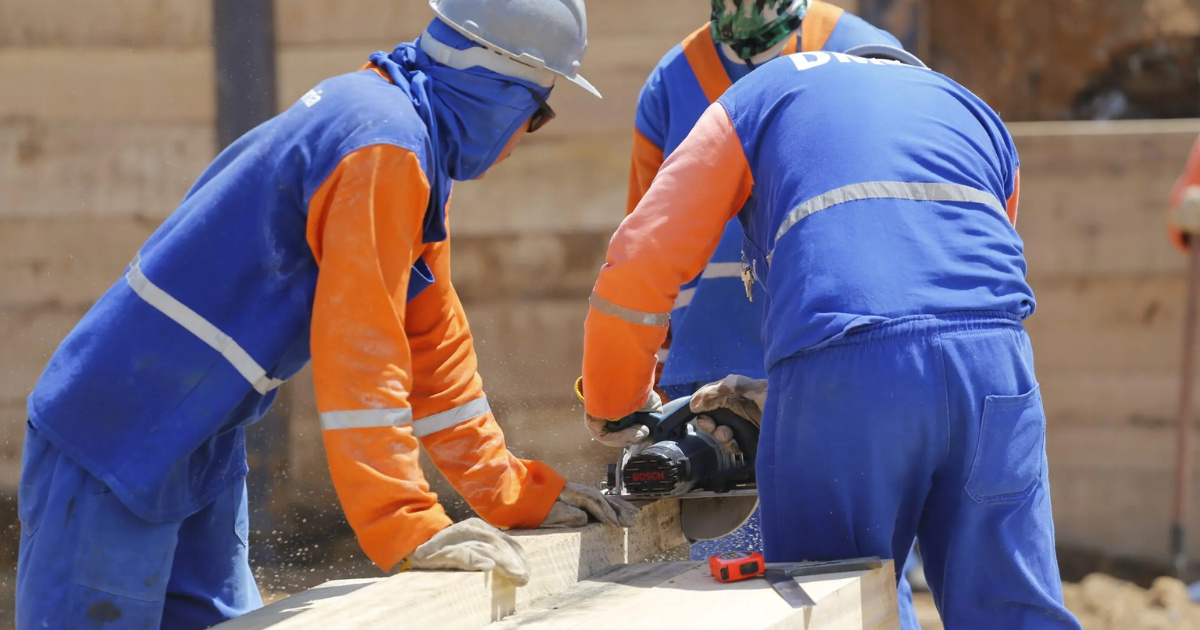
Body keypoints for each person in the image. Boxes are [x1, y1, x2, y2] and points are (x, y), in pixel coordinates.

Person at [15, 1, 637, 628]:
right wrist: (406, 524)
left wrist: (510, 493)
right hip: (113, 440)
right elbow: (361, 355)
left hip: (191, 437)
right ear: (498, 89)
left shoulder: (398, 136)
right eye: (536, 113)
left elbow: (433, 350)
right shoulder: (382, 148)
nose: (527, 137)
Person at [581, 46, 1082, 629]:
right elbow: (944, 305)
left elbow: (643, 257)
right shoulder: (974, 113)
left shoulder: (757, 98)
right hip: (997, 370)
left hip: (844, 372)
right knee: (1015, 610)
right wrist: (789, 391)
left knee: (833, 605)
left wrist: (616, 404)